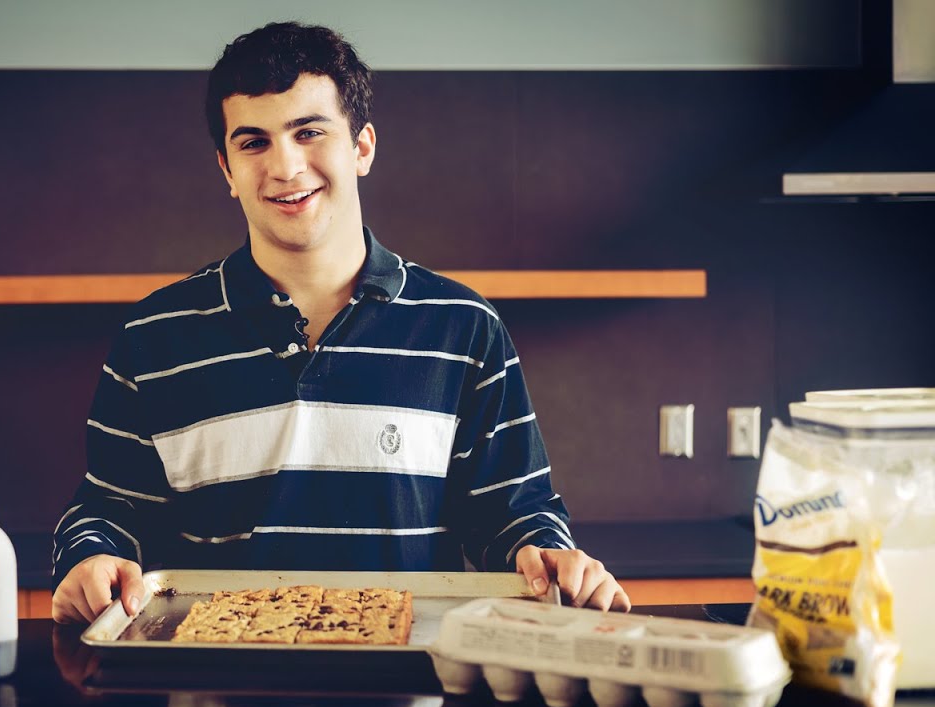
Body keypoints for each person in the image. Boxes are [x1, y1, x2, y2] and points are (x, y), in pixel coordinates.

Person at [51, 21, 630, 624]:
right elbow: (111, 511)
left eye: (309, 132)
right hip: (214, 688)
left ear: (362, 147)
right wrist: (91, 558)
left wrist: (551, 556)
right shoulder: (153, 337)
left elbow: (515, 512)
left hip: (413, 692)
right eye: (253, 143)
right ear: (226, 169)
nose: (285, 165)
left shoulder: (464, 328)